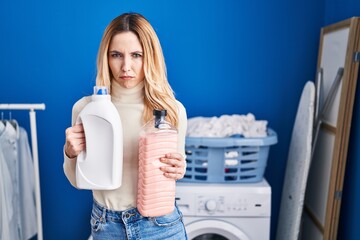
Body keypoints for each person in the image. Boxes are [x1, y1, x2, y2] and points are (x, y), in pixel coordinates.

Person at [63, 12, 188, 240]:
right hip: (106, 226)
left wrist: (180, 168)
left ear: (150, 57)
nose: (126, 66)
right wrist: (71, 153)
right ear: (106, 57)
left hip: (160, 227)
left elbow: (172, 174)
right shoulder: (86, 110)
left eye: (136, 55)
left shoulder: (171, 110)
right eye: (116, 55)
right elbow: (76, 182)